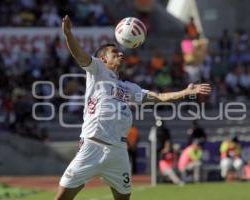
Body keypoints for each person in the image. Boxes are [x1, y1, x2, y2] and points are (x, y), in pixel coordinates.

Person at [55, 15, 211, 200]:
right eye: (114, 52)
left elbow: (158, 97)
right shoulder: (97, 70)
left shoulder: (128, 87)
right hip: (92, 145)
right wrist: (68, 34)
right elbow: (79, 54)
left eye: (120, 52)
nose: (121, 54)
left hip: (119, 152)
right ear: (103, 59)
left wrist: (185, 92)